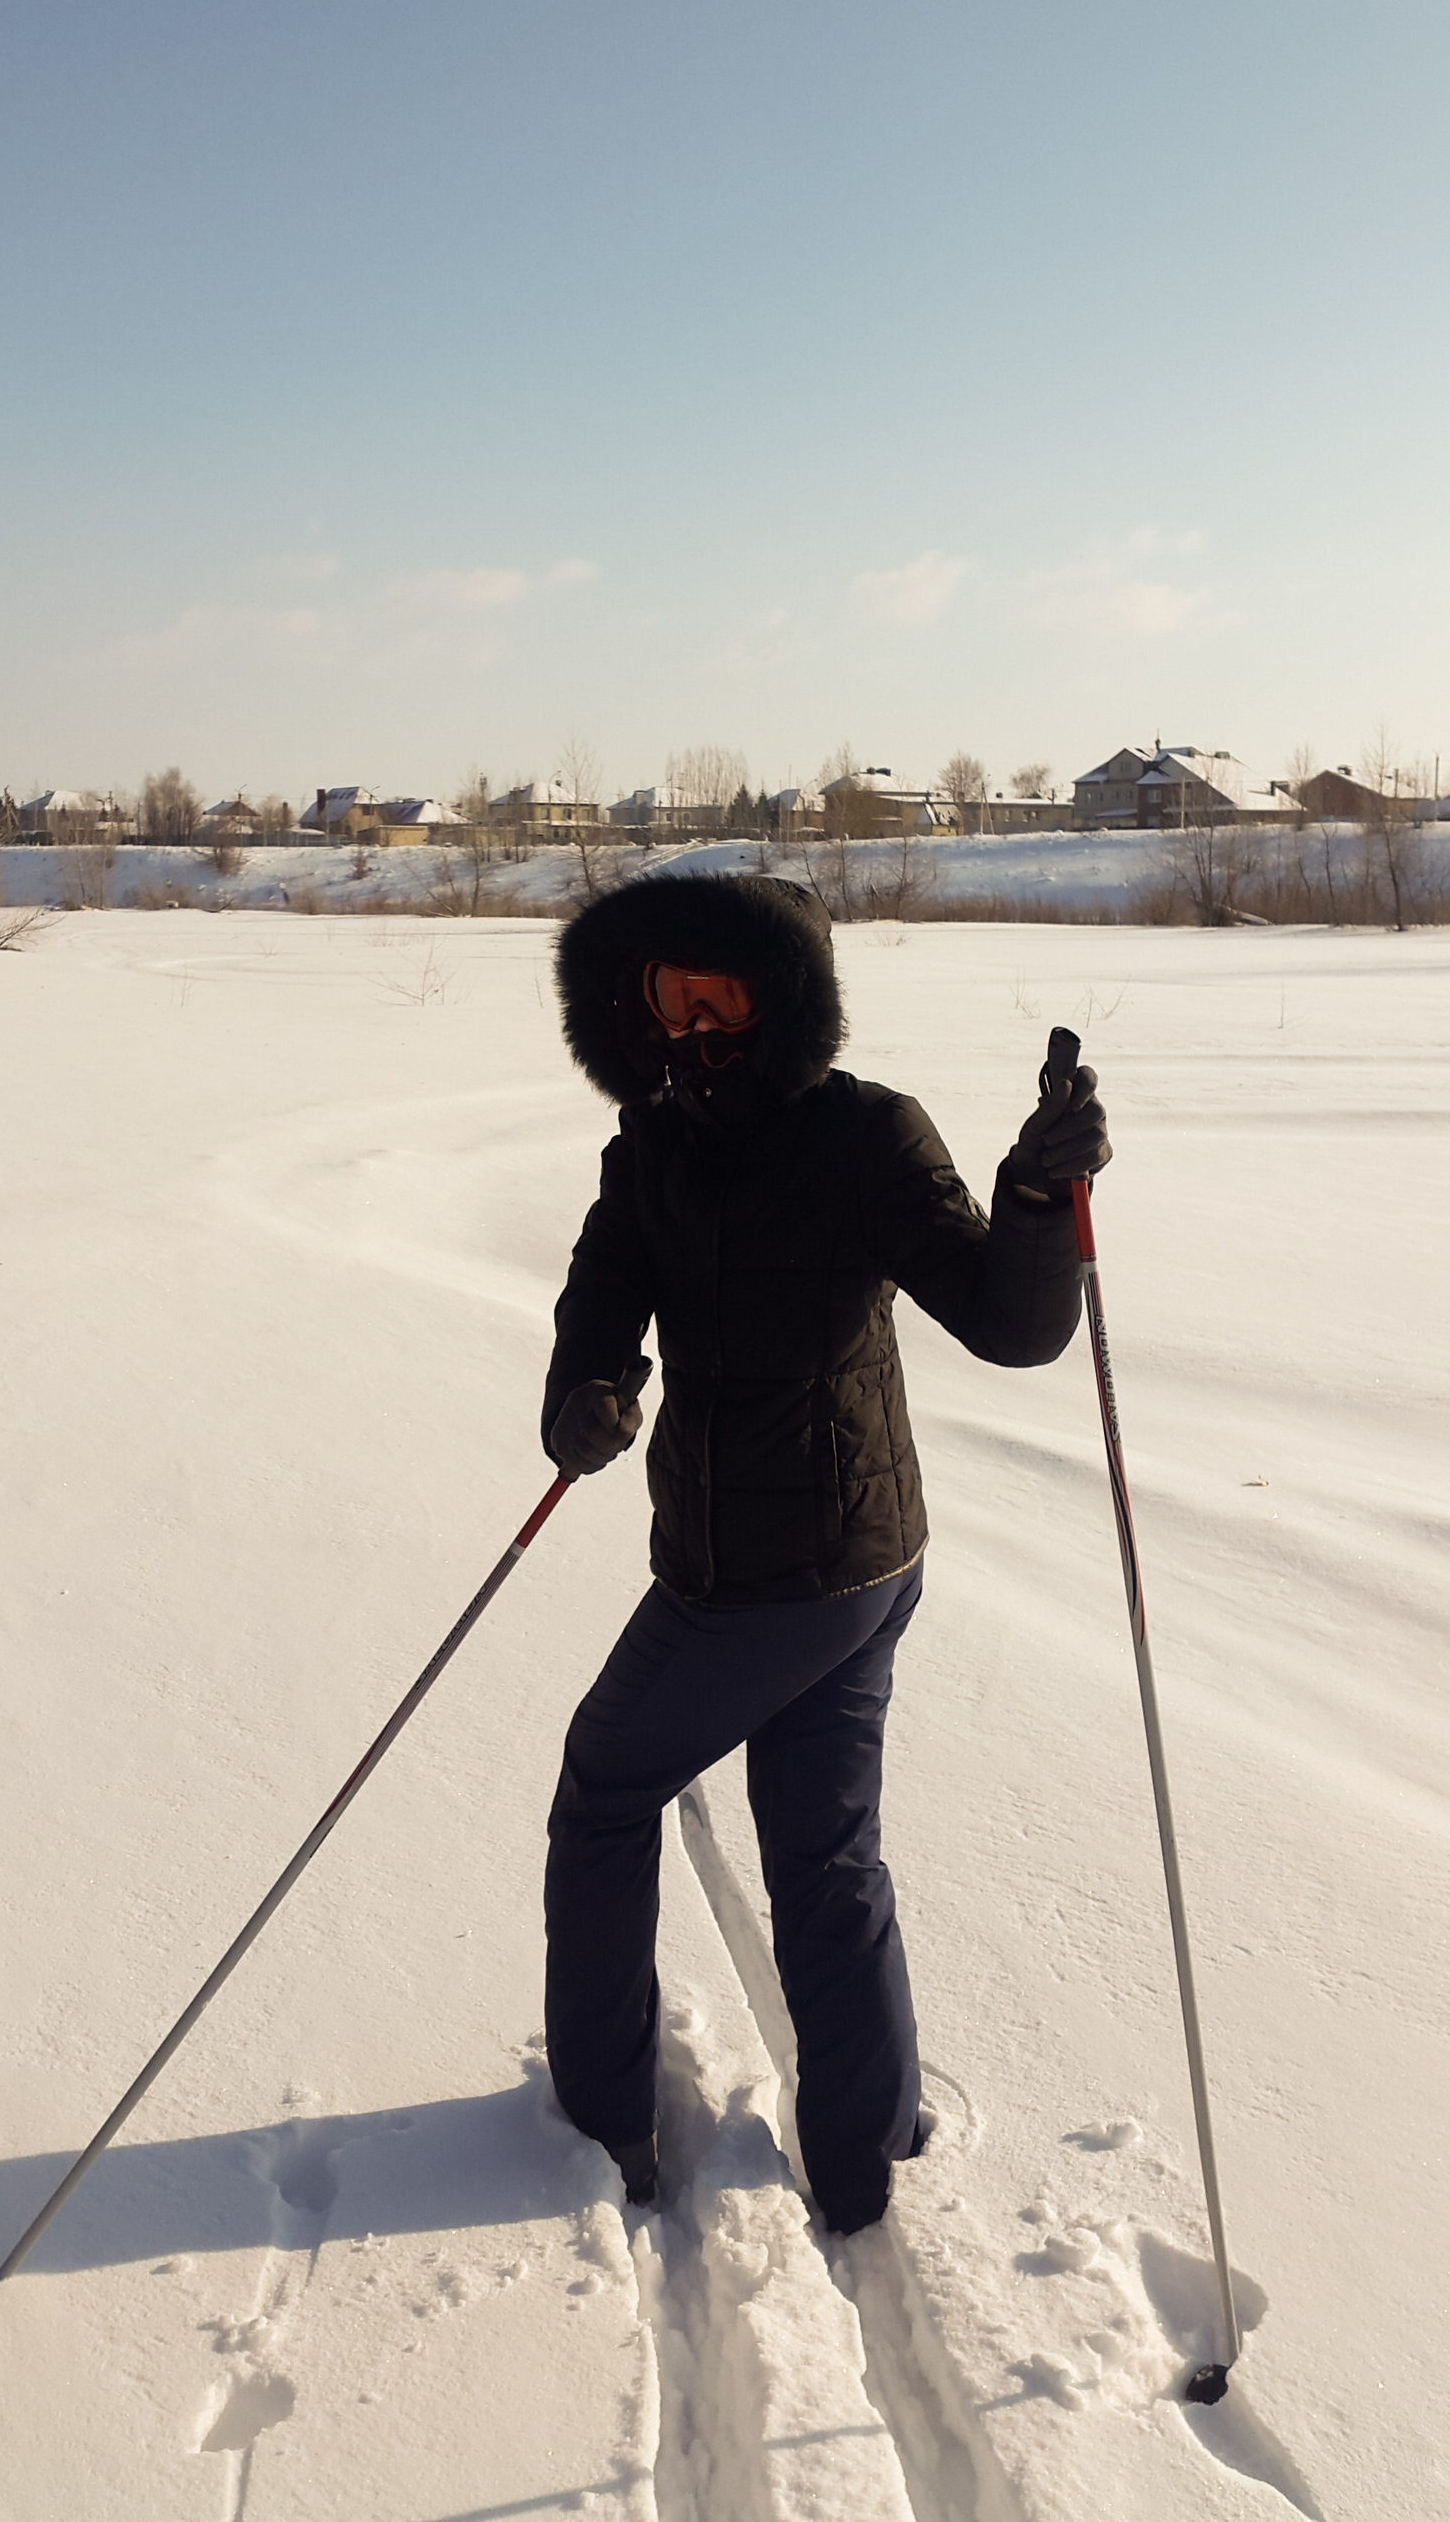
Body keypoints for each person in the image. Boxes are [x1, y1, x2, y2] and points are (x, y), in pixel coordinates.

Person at [540, 874, 1111, 2231]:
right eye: (665, 998)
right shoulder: (650, 1152)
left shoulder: (863, 1137)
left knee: (607, 1790)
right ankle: (867, 2146)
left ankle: (604, 2116)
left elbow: (1010, 1325)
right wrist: (588, 1388)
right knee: (823, 1847)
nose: (689, 1025)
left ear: (783, 998)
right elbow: (602, 1295)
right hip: (844, 1564)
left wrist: (1039, 1198)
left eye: (720, 995)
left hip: (778, 1583)